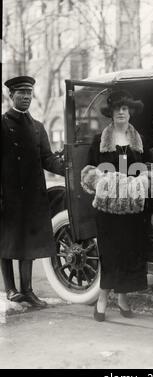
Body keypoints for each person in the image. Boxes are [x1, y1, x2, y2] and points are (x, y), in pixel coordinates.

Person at [0, 76, 65, 307]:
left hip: (32, 196)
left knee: (27, 244)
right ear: (11, 96)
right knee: (7, 242)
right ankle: (10, 289)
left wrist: (67, 170)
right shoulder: (2, 123)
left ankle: (27, 291)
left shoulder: (37, 127)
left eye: (28, 93)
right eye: (21, 93)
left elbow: (47, 158)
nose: (26, 97)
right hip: (8, 195)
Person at [87, 89, 148, 322]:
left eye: (125, 108)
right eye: (117, 109)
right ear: (111, 114)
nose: (121, 112)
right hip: (107, 208)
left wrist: (139, 182)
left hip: (132, 209)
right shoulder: (98, 140)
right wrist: (108, 183)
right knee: (110, 252)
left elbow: (147, 170)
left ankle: (122, 297)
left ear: (130, 112)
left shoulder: (140, 141)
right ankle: (103, 298)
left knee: (129, 251)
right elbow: (89, 173)